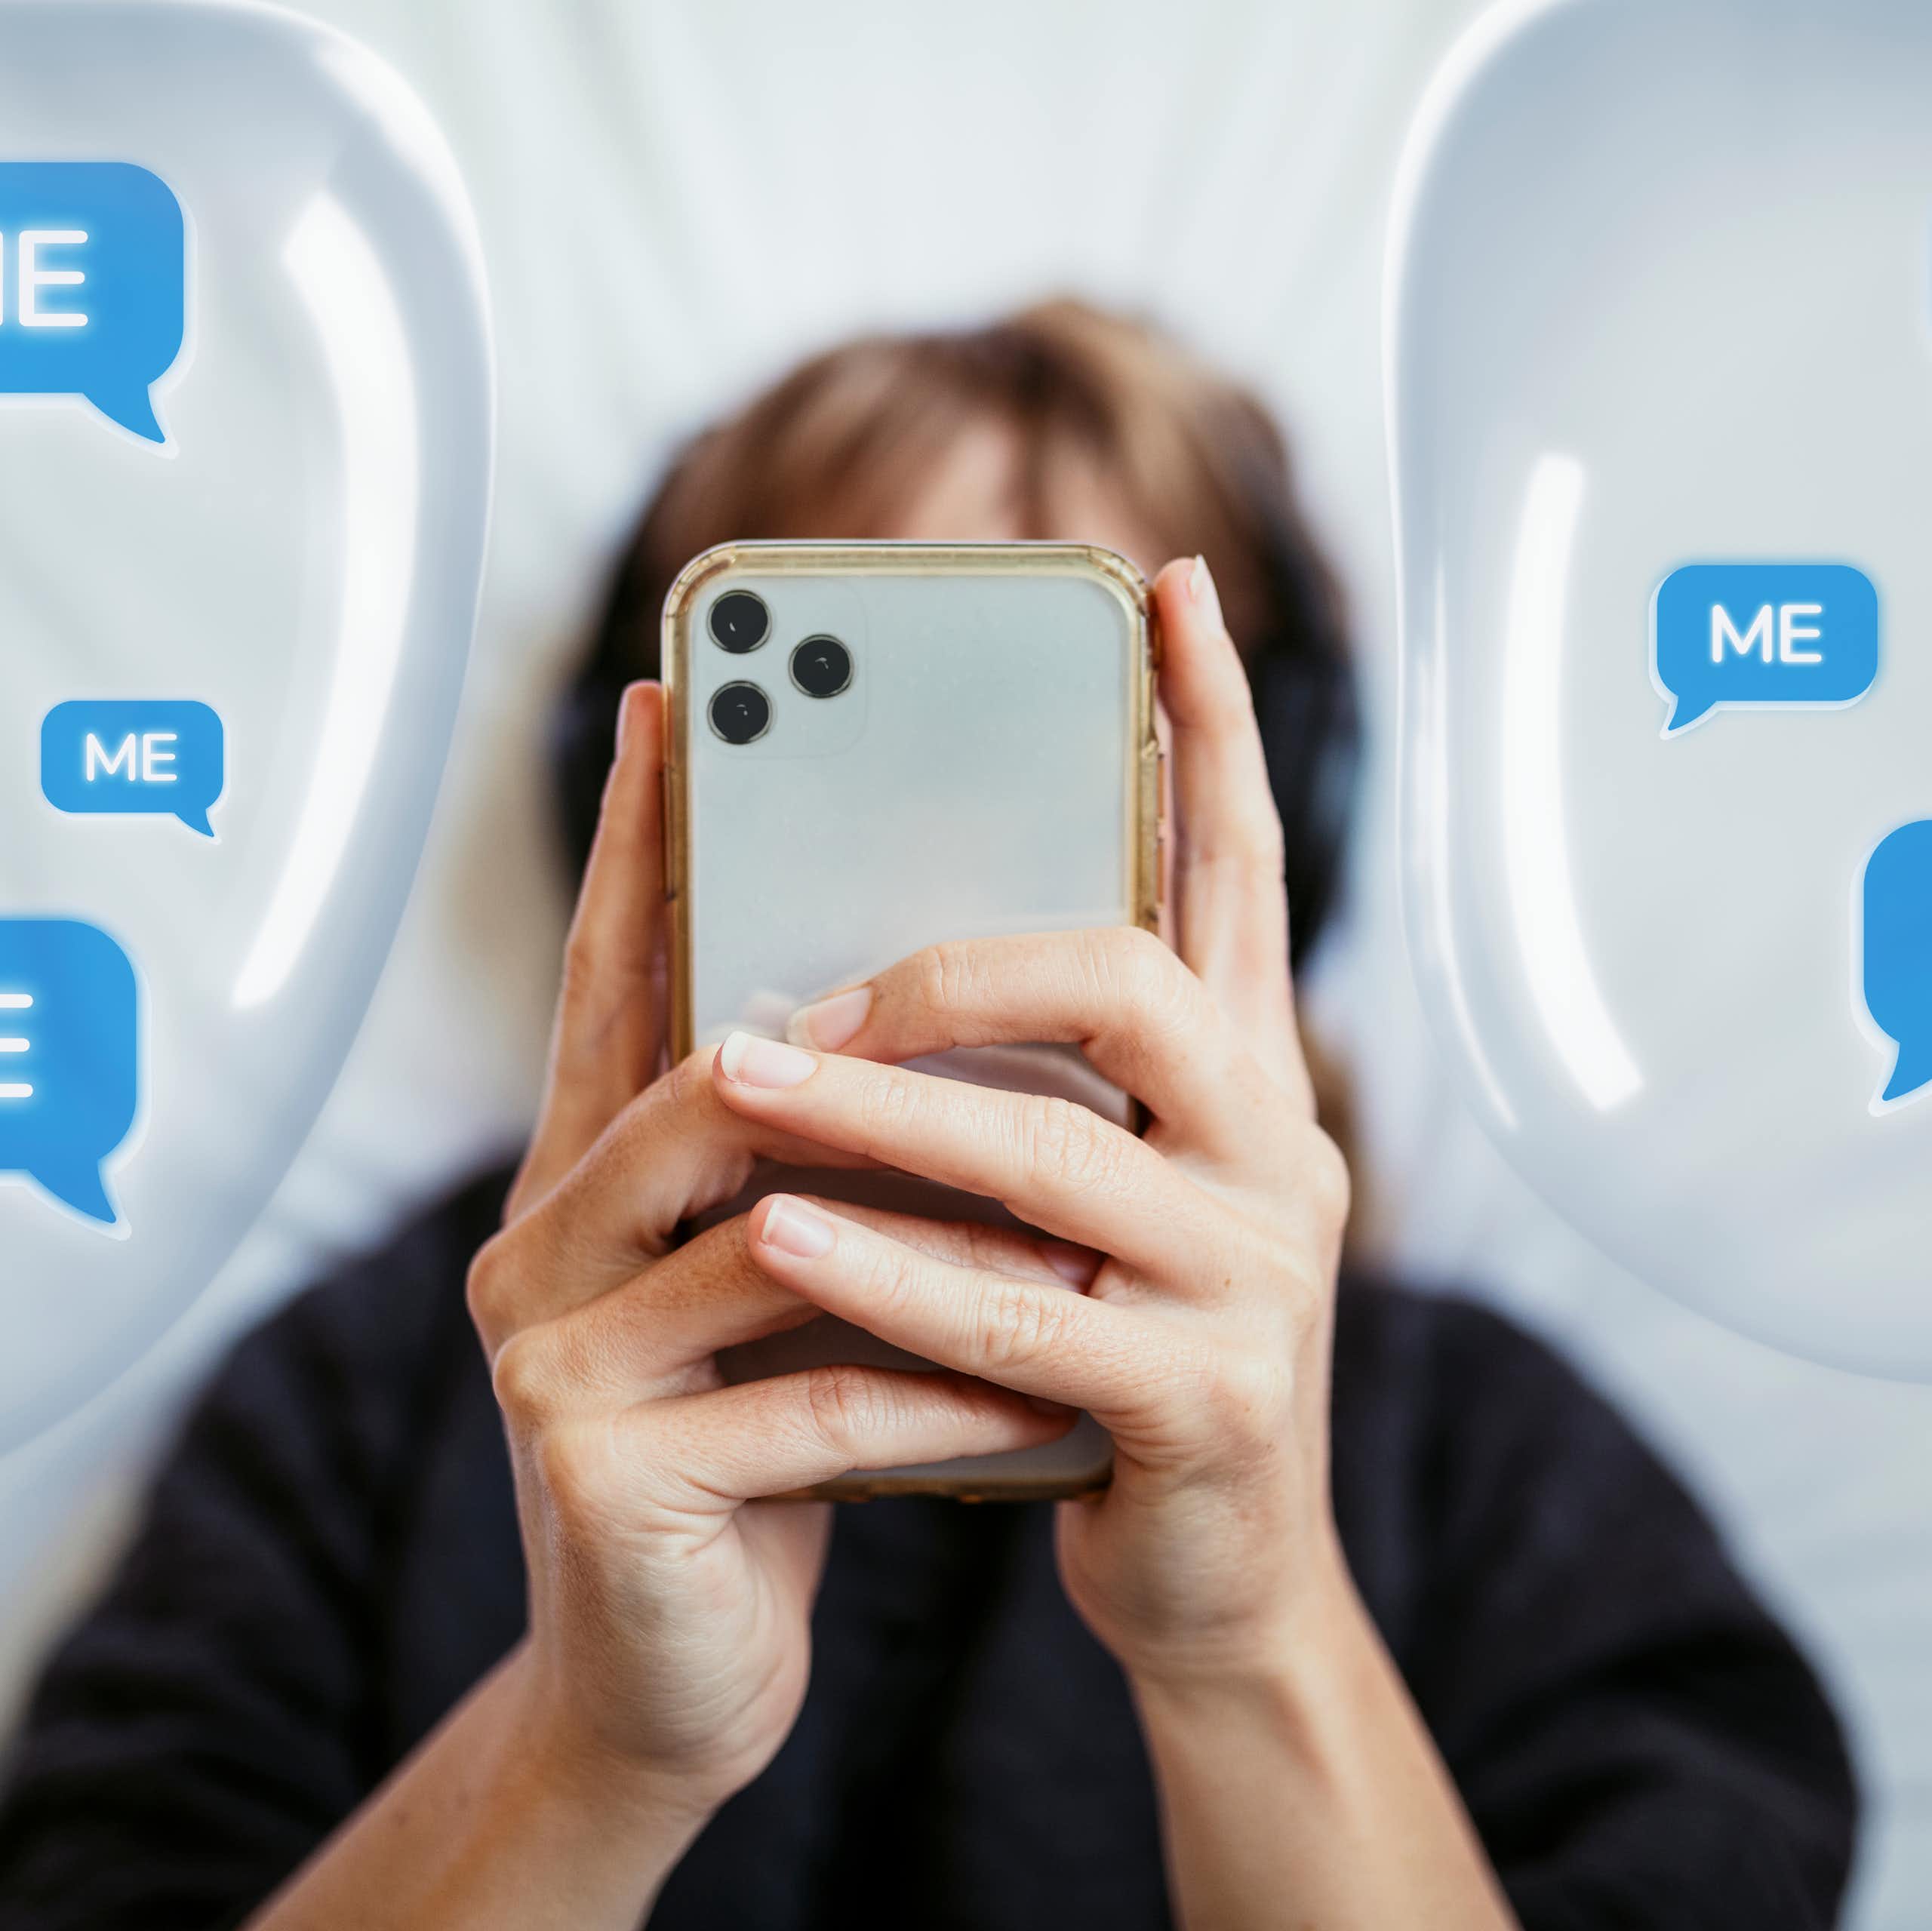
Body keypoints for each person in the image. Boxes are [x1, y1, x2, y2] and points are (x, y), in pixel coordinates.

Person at [0, 303, 1856, 1930]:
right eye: (838, 728)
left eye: (1035, 744)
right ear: (632, 810)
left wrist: (1251, 1636)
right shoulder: (365, 1397)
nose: (942, 888)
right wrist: (585, 1751)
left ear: (1253, 822)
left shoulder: (1488, 1453)